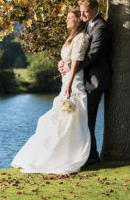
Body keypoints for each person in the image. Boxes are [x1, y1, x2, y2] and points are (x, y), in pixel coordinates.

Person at [11, 9, 91, 174]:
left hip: (73, 83)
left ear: (78, 20)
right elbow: (68, 59)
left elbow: (76, 62)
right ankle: (51, 154)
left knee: (70, 121)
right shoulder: (71, 37)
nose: (67, 20)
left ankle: (68, 155)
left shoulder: (81, 37)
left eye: (70, 18)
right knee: (56, 120)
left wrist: (69, 84)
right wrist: (62, 64)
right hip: (66, 81)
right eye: (67, 18)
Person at [59, 0, 111, 165]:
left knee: (88, 120)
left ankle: (92, 156)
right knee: (83, 120)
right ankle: (88, 154)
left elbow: (93, 54)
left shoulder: (101, 27)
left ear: (95, 9)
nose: (82, 15)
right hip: (84, 80)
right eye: (80, 12)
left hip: (94, 81)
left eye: (85, 12)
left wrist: (71, 66)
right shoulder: (88, 26)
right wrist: (66, 63)